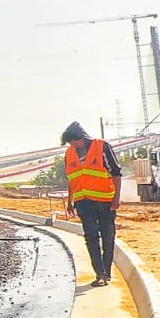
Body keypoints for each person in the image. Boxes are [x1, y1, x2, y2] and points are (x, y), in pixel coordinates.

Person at [62, 121, 121, 286]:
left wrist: (117, 197)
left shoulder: (102, 147)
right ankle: (100, 274)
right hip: (83, 203)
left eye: (75, 141)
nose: (73, 145)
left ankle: (107, 272)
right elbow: (71, 179)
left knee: (108, 237)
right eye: (70, 143)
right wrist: (70, 201)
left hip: (105, 202)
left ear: (82, 137)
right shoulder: (69, 154)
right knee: (91, 237)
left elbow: (116, 173)